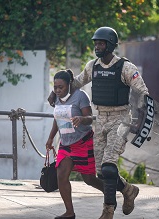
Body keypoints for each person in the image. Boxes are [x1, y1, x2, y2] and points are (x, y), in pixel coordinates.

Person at [48, 27, 149, 219]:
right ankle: (128, 190)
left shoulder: (126, 67)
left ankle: (107, 211)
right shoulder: (92, 66)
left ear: (110, 45)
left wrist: (141, 118)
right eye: (95, 43)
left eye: (101, 43)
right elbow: (75, 82)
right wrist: (55, 91)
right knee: (102, 172)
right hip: (100, 119)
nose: (97, 47)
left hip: (121, 118)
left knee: (109, 166)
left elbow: (142, 92)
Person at [46, 69, 104, 219]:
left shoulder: (80, 96)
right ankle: (69, 212)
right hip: (66, 144)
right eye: (55, 87)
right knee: (61, 176)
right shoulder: (57, 98)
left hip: (83, 142)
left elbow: (90, 118)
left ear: (69, 85)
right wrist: (51, 138)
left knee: (89, 179)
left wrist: (81, 118)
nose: (58, 90)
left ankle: (109, 194)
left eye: (61, 87)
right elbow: (57, 118)